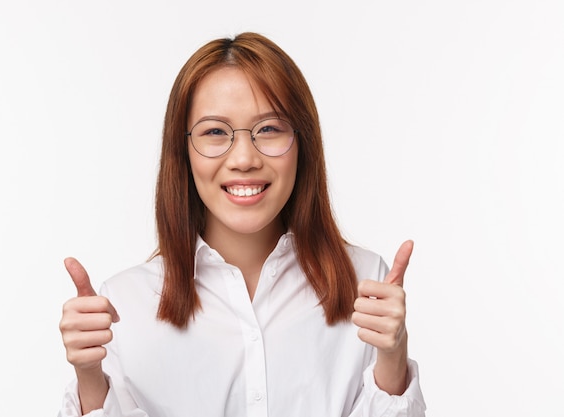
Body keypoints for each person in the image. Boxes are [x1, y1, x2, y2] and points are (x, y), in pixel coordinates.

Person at [58, 32, 426, 417]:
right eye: (215, 132)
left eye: (269, 129)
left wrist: (392, 359)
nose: (244, 158)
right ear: (182, 150)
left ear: (303, 143)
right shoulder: (125, 304)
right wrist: (88, 377)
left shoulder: (364, 284)